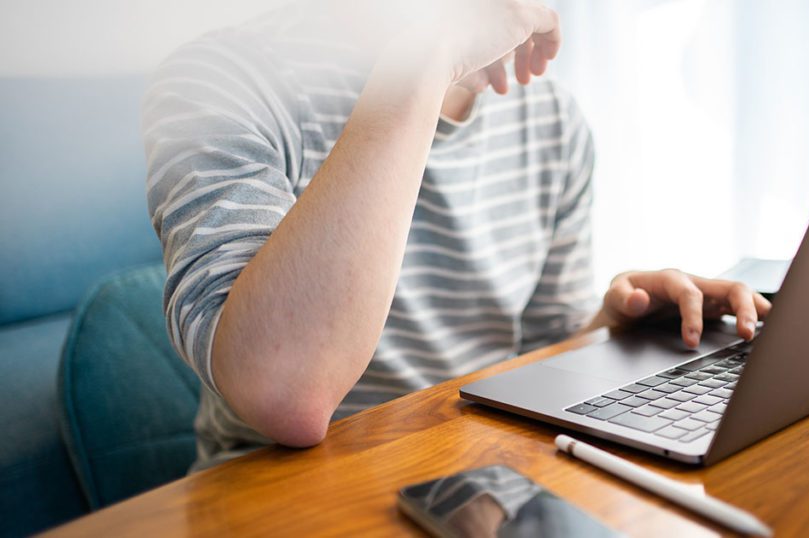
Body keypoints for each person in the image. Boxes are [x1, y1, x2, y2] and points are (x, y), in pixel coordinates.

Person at [143, 0, 771, 470]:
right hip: (285, 498)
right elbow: (288, 393)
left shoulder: (552, 120)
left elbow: (536, 365)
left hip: (477, 473)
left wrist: (613, 330)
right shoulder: (220, 82)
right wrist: (428, 58)